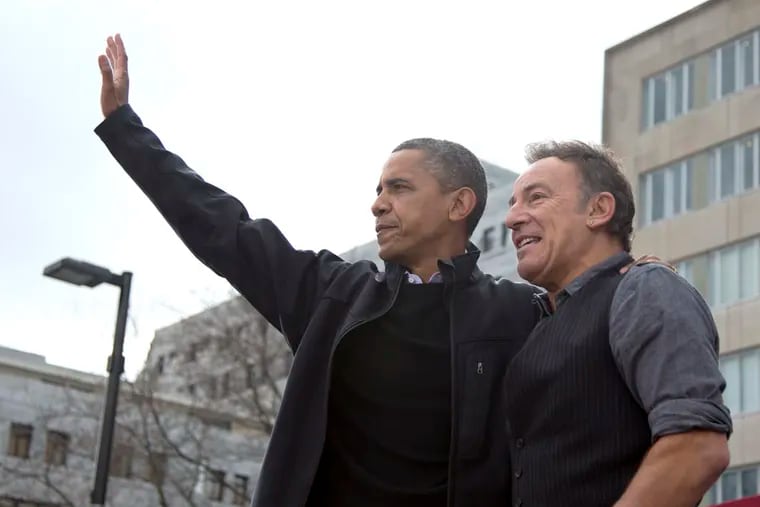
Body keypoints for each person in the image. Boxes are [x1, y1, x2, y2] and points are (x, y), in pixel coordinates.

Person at [95, 34, 541, 507]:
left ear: (459, 204)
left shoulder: (518, 315)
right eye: (379, 189)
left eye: (399, 188)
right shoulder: (334, 295)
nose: (378, 204)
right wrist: (125, 129)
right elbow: (221, 226)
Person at [503, 140, 733, 507]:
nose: (511, 218)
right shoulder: (542, 320)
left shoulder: (643, 288)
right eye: (512, 203)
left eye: (536, 198)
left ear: (598, 209)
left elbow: (697, 445)